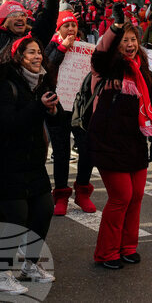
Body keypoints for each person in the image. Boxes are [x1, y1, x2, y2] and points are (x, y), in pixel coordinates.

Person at [0, 36, 59, 293]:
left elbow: (53, 120)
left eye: (39, 52)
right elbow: (8, 123)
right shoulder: (6, 84)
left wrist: (53, 111)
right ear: (18, 57)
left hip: (33, 162)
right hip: (7, 163)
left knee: (44, 210)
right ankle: (3, 274)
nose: (37, 57)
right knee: (15, 219)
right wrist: (38, 107)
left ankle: (30, 266)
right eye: (31, 53)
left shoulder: (42, 82)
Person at [88, 1, 152, 269]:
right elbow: (99, 56)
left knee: (137, 196)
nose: (129, 44)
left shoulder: (144, 71)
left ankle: (128, 246)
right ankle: (106, 252)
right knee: (121, 197)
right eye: (124, 40)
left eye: (133, 39)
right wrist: (115, 28)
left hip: (135, 141)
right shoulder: (107, 66)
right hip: (109, 141)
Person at [44, 11, 97, 216]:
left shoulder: (85, 48)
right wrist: (63, 46)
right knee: (61, 152)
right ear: (58, 29)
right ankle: (61, 195)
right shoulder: (50, 45)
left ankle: (83, 191)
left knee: (87, 149)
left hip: (81, 108)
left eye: (74, 26)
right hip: (58, 107)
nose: (71, 29)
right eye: (66, 26)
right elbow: (47, 66)